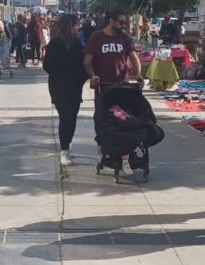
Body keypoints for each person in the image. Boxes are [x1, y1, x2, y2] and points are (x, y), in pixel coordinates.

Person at [42, 14, 88, 166]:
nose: (77, 28)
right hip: (58, 86)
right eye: (75, 25)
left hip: (75, 87)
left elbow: (83, 66)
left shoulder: (77, 44)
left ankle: (68, 143)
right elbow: (47, 65)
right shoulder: (55, 44)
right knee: (65, 115)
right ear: (69, 26)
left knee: (72, 117)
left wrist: (81, 79)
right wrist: (60, 75)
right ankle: (64, 150)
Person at [83, 10, 143, 107]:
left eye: (125, 23)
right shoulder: (96, 37)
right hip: (102, 86)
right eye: (121, 22)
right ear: (111, 21)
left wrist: (138, 76)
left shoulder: (124, 37)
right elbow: (87, 61)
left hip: (122, 85)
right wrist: (92, 76)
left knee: (123, 117)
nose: (124, 25)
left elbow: (134, 58)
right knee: (102, 118)